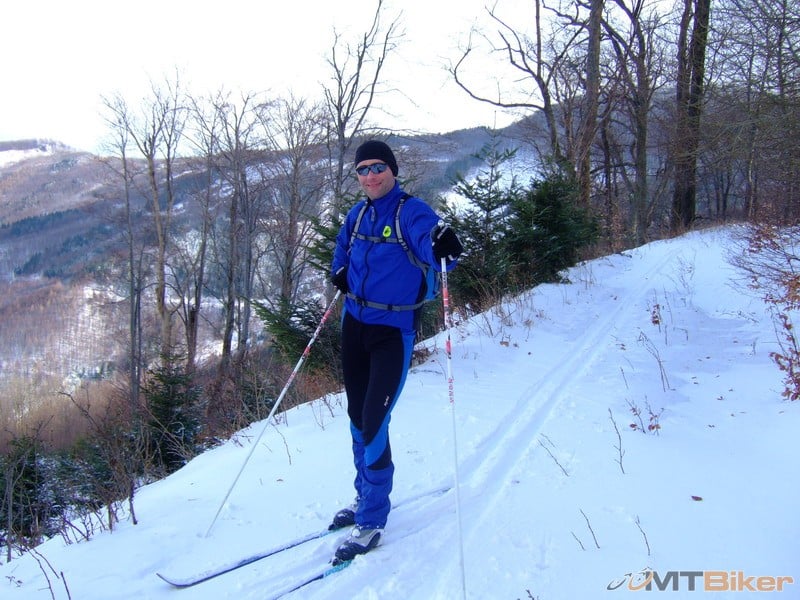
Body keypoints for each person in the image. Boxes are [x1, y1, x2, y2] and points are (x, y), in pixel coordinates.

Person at [329, 140, 463, 563]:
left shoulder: (410, 211)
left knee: (374, 421)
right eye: (363, 169)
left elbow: (432, 243)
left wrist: (443, 245)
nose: (370, 175)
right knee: (356, 417)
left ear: (393, 170)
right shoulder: (358, 214)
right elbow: (342, 248)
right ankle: (363, 496)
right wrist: (339, 271)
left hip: (392, 332)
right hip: (354, 325)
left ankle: (372, 519)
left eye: (378, 167)